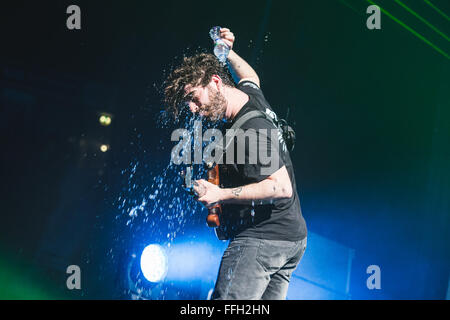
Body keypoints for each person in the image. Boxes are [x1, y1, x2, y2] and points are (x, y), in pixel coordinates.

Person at [164, 28, 307, 300]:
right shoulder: (248, 98)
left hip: (262, 239)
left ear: (216, 82)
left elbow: (281, 187)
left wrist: (221, 195)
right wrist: (227, 52)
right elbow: (250, 77)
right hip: (291, 237)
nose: (193, 108)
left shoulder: (250, 129)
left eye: (195, 98)